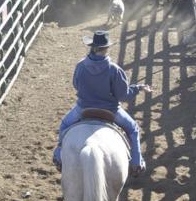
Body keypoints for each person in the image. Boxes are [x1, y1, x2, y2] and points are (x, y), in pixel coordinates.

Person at [53, 31, 152, 176]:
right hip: (110, 110)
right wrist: (138, 88)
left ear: (92, 47)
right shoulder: (114, 69)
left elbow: (76, 85)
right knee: (133, 129)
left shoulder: (80, 66)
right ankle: (136, 162)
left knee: (64, 125)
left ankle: (58, 155)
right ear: (106, 48)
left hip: (83, 108)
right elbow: (123, 95)